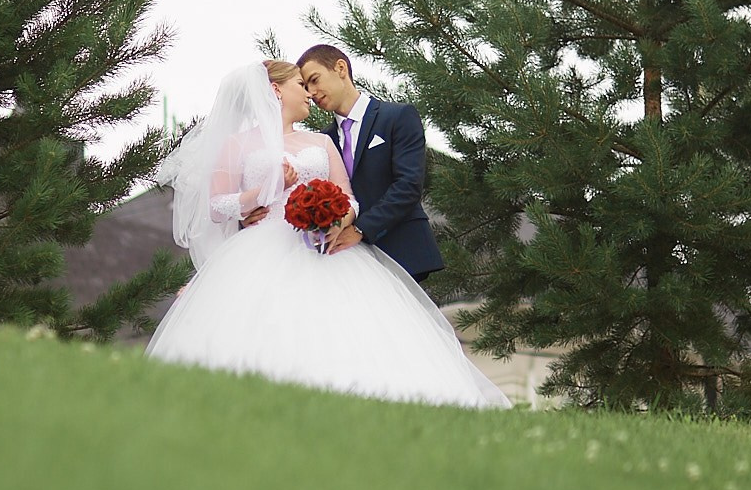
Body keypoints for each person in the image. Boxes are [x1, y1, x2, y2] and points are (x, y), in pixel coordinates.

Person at [146, 60, 507, 409]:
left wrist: (337, 218)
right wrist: (262, 193)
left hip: (326, 247)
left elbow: (348, 196)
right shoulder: (237, 145)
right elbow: (216, 205)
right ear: (276, 90)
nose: (309, 93)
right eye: (300, 85)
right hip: (261, 249)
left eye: (311, 84)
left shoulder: (321, 141)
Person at [295, 44, 442, 283]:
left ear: (340, 68)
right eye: (305, 87)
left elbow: (408, 185)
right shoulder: (323, 140)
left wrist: (360, 229)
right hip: (346, 262)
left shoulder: (397, 116)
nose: (311, 92)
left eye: (314, 80)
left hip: (402, 249)